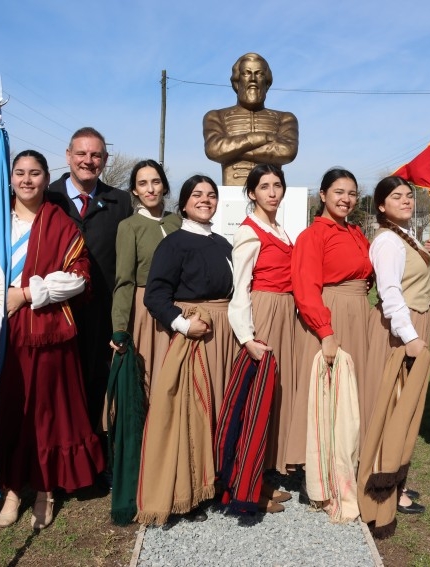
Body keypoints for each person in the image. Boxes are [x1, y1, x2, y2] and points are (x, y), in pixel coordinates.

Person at [0, 150, 105, 530]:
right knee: (11, 409)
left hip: (47, 332)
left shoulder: (60, 222)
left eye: (35, 173)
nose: (27, 180)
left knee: (46, 413)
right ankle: (12, 488)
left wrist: (26, 294)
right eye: (20, 173)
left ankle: (45, 489)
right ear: (11, 178)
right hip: (1, 331)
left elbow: (78, 277)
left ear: (46, 178)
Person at [137, 175, 235, 525]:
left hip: (225, 335)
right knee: (193, 413)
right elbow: (155, 295)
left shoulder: (223, 243)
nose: (205, 200)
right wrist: (182, 324)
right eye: (197, 195)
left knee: (220, 407)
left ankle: (219, 479)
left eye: (211, 195)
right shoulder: (174, 243)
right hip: (195, 335)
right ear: (183, 203)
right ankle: (188, 491)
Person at [288, 168, 372, 522]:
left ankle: (349, 465)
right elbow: (305, 287)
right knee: (326, 399)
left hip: (357, 313)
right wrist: (325, 331)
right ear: (322, 195)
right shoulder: (313, 235)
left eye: (352, 193)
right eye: (338, 192)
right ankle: (319, 477)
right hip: (331, 315)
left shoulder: (355, 232)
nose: (346, 199)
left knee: (350, 398)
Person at [47, 127, 133, 433]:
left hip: (101, 314)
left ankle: (94, 451)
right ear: (68, 155)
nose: (88, 160)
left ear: (105, 159)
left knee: (97, 385)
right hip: (55, 310)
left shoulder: (120, 202)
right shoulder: (48, 198)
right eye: (81, 153)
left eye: (96, 155)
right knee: (57, 387)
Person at [365, 176, 430, 517]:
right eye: (396, 197)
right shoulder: (387, 242)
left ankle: (396, 479)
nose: (406, 200)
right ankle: (385, 486)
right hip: (400, 328)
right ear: (381, 206)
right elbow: (390, 292)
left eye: (409, 195)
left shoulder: (404, 236)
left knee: (405, 407)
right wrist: (409, 336)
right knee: (394, 407)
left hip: (413, 322)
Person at [225, 163, 295, 511]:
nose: (272, 192)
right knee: (257, 399)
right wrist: (247, 336)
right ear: (251, 192)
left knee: (274, 397)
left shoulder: (279, 229)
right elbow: (240, 288)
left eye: (277, 185)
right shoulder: (249, 232)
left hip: (285, 312)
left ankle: (263, 477)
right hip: (264, 311)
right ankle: (248, 485)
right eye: (264, 186)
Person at [111, 159, 182, 389]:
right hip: (147, 311)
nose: (150, 189)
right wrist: (120, 327)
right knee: (152, 377)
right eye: (142, 184)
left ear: (164, 186)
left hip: (182, 307)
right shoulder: (129, 226)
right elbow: (124, 281)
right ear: (134, 190)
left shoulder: (178, 222)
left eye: (156, 182)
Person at [203, 53, 299, 185]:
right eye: (246, 73)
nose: (253, 79)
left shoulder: (285, 118)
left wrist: (230, 151)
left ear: (267, 83)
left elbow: (287, 152)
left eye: (259, 74)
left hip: (270, 190)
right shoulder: (215, 116)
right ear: (236, 82)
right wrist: (263, 137)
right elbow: (213, 149)